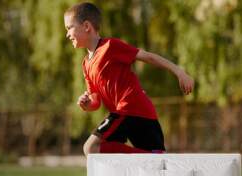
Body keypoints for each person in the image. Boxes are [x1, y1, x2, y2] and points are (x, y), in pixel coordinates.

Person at [64, 2, 194, 156]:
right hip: (135, 113)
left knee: (90, 148)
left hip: (129, 108)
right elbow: (96, 101)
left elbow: (148, 57)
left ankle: (151, 157)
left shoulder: (110, 46)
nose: (67, 34)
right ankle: (153, 157)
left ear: (86, 26)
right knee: (157, 168)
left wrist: (179, 71)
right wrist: (87, 104)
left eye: (69, 28)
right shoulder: (86, 64)